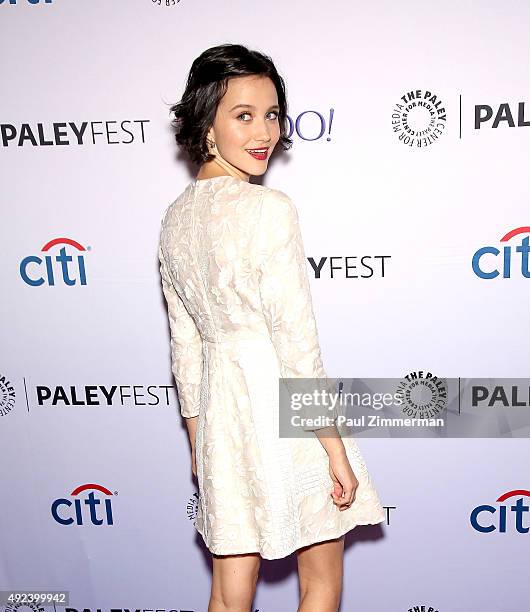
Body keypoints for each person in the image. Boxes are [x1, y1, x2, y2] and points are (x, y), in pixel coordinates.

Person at [158, 43, 385, 612]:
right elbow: (297, 348)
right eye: (244, 115)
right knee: (321, 581)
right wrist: (334, 448)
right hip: (286, 414)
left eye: (273, 114)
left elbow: (185, 349)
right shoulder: (269, 209)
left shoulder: (174, 221)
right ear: (206, 121)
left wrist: (197, 439)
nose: (265, 132)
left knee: (228, 594)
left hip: (222, 421)